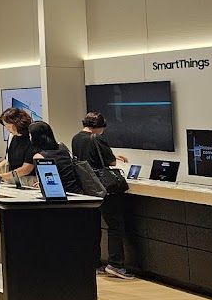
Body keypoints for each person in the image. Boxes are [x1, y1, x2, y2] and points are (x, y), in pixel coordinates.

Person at [73, 112, 135, 280]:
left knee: (93, 226)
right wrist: (113, 157)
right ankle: (116, 264)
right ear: (100, 126)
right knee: (115, 224)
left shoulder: (76, 138)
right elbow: (111, 163)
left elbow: (88, 159)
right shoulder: (97, 138)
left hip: (87, 187)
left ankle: (94, 263)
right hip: (104, 188)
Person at [0, 107, 37, 185]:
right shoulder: (11, 137)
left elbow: (27, 168)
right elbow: (7, 159)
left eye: (8, 126)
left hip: (29, 182)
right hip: (13, 181)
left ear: (17, 124)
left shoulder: (32, 138)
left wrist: (1, 176)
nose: (7, 129)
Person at [28, 121, 82, 194]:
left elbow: (50, 182)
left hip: (60, 194)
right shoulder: (63, 148)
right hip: (76, 190)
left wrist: (42, 184)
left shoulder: (39, 156)